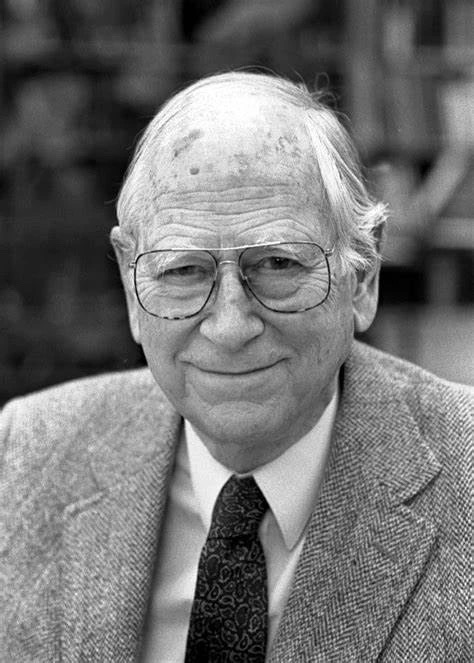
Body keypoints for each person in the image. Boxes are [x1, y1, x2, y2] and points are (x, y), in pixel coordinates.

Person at [0, 72, 472, 663]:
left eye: (277, 264)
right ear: (130, 281)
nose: (229, 327)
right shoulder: (24, 457)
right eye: (183, 271)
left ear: (363, 275)